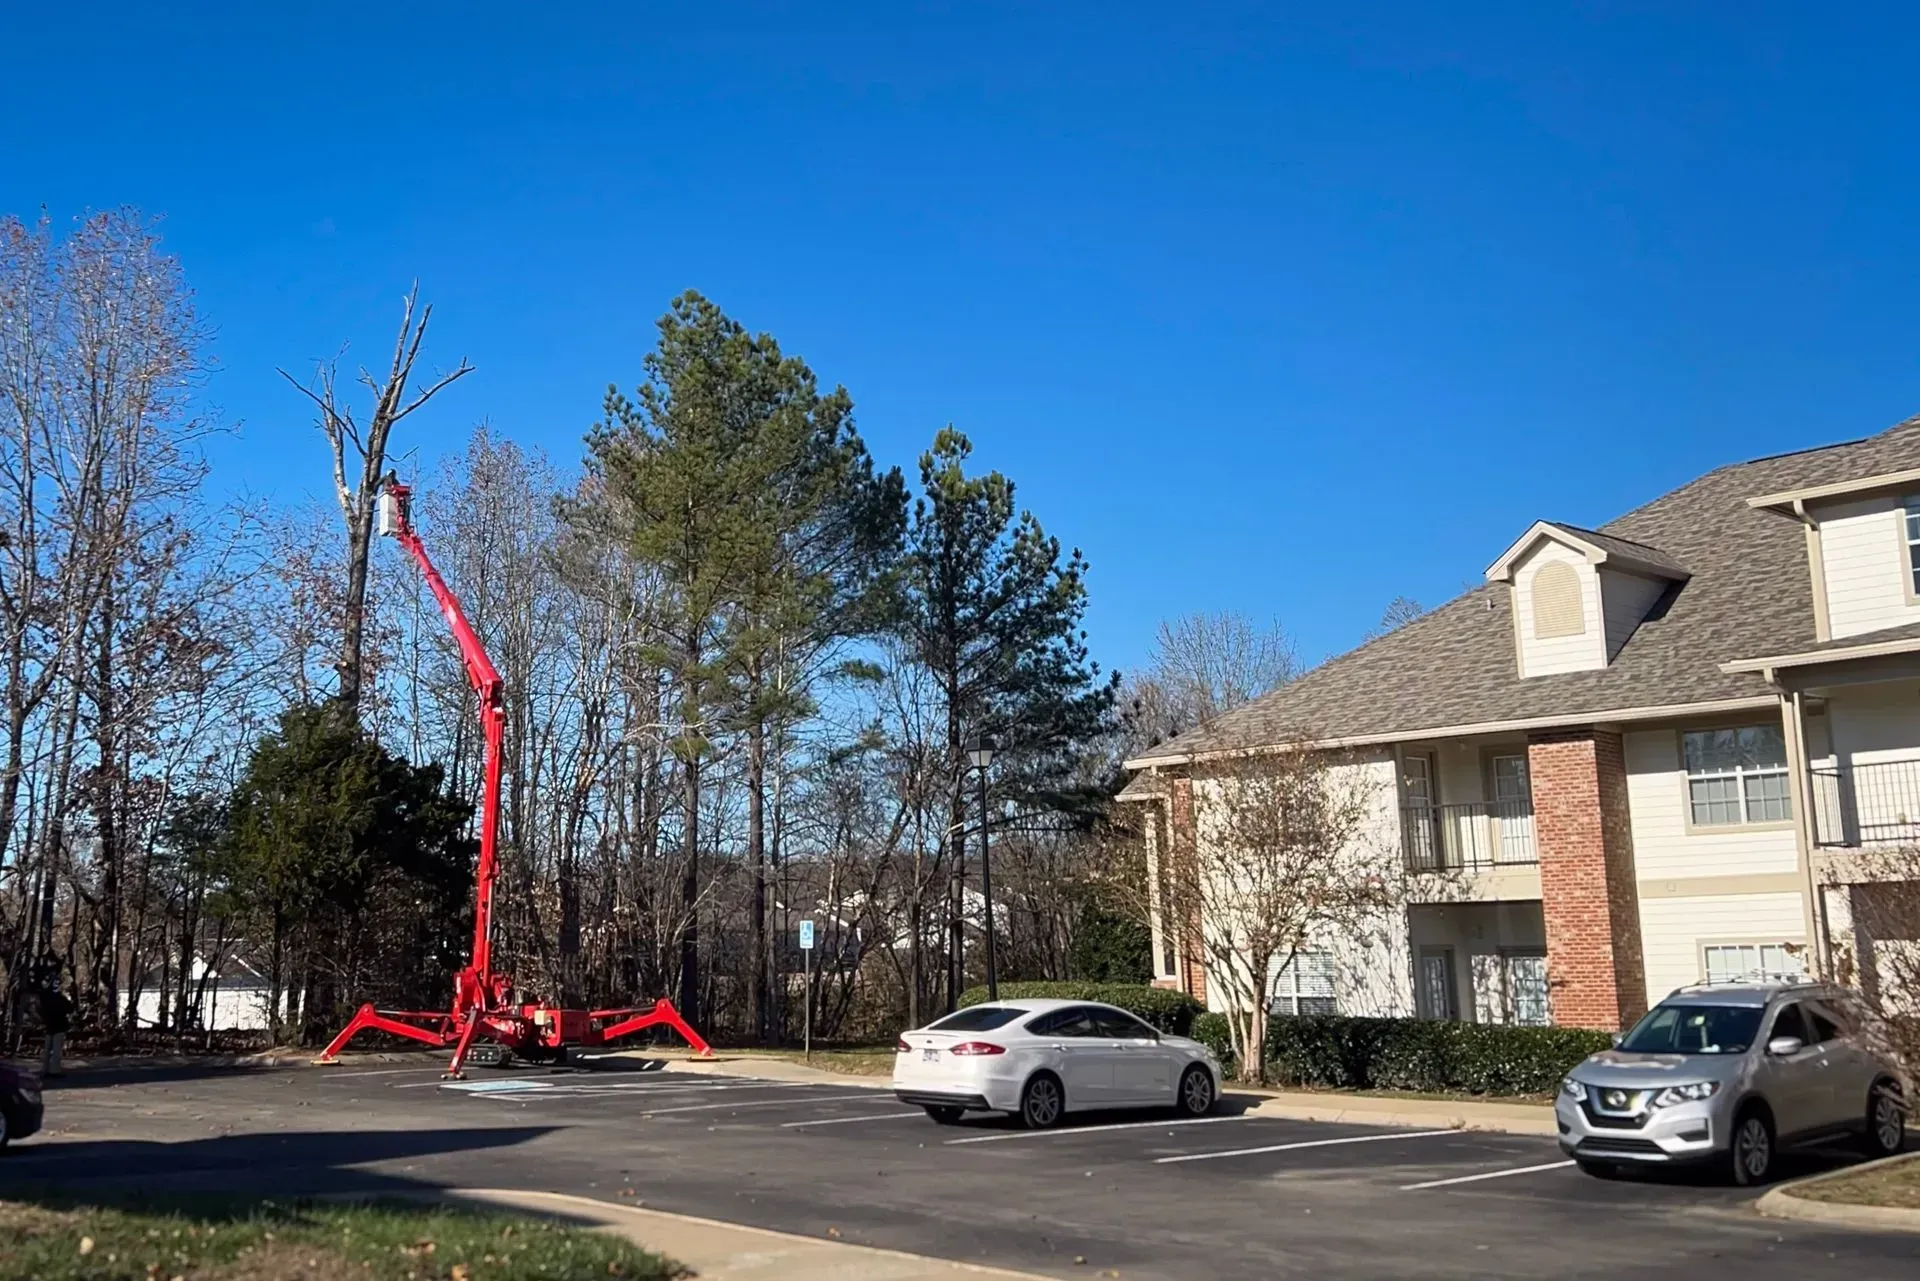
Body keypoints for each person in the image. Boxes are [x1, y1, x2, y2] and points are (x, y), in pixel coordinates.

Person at [39, 980, 69, 1077]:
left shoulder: (46, 999)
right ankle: (55, 1071)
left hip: (49, 1026)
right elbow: (70, 1008)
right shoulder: (61, 999)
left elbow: (41, 1011)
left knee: (47, 1050)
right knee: (56, 1051)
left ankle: (45, 1070)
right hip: (59, 1026)